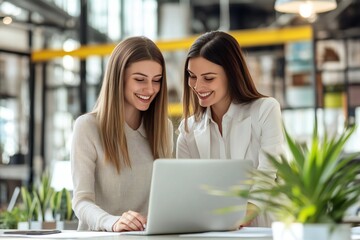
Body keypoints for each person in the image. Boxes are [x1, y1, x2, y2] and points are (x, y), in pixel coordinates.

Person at [176, 31, 285, 227]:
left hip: (266, 227)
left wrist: (237, 219)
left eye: (208, 78)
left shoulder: (265, 109)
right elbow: (188, 194)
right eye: (192, 76)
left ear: (232, 75)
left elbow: (266, 177)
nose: (197, 86)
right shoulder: (187, 131)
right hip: (214, 231)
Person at [71, 36, 173, 232]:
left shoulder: (164, 128)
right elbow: (81, 202)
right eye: (140, 79)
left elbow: (165, 197)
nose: (150, 89)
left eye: (157, 80)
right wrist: (113, 222)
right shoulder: (87, 127)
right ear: (119, 78)